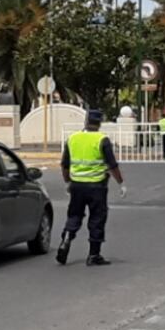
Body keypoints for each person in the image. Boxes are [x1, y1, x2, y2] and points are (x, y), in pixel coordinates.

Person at [57, 110, 126, 267]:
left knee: (74, 215)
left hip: (77, 186)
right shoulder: (102, 140)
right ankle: (94, 255)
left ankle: (67, 237)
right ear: (99, 123)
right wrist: (121, 183)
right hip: (97, 186)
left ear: (86, 121)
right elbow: (112, 165)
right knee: (97, 218)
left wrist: (67, 182)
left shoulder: (72, 138)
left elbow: (65, 164)